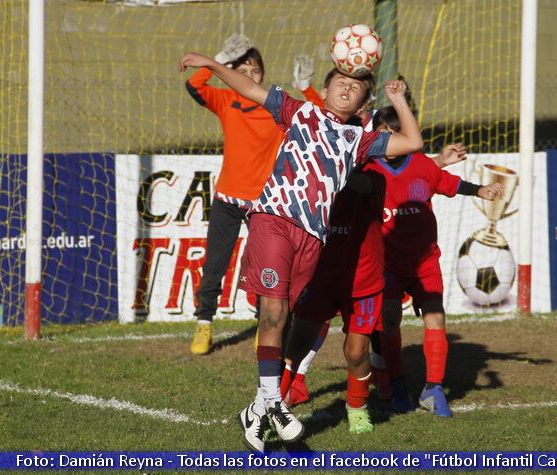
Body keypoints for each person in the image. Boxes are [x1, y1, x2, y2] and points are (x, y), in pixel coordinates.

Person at [179, 48, 424, 451]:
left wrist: (397, 98)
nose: (348, 87)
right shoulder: (299, 111)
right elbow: (249, 87)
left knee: (286, 318)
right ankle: (274, 401)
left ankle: (258, 409)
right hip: (272, 219)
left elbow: (413, 141)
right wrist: (214, 64)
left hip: (313, 237)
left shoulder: (362, 141)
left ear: (364, 103)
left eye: (358, 86)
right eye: (341, 81)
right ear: (324, 89)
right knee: (273, 311)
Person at [366, 106, 503, 417]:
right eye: (381, 134)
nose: (388, 142)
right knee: (389, 319)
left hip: (425, 261)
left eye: (394, 134)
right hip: (387, 263)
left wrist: (481, 189)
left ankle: (433, 387)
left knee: (436, 318)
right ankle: (398, 383)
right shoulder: (368, 171)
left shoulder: (420, 166)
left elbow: (449, 183)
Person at [183, 34, 282, 355]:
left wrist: (307, 86)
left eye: (254, 71)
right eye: (241, 70)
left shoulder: (278, 106)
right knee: (215, 263)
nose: (249, 76)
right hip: (227, 199)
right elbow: (195, 86)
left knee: (263, 267)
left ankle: (264, 324)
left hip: (265, 203)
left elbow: (318, 114)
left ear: (263, 75)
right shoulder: (227, 100)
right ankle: (204, 324)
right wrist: (221, 57)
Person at [280, 167, 386, 433]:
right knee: (295, 346)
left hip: (363, 281)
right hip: (321, 279)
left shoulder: (373, 176)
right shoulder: (313, 179)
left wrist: (330, 165)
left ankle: (357, 408)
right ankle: (273, 409)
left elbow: (361, 184)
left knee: (356, 351)